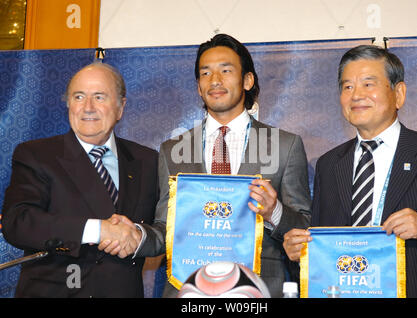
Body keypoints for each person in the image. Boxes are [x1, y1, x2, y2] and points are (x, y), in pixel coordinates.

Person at [107, 34, 311, 298]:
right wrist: (136, 235)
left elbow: (304, 229)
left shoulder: (285, 145)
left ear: (247, 80)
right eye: (206, 73)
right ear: (198, 86)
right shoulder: (172, 151)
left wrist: (275, 212)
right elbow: (165, 227)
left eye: (226, 70)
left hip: (257, 292)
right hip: (189, 291)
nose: (215, 80)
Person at [283, 45, 417, 297]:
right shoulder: (329, 165)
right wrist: (299, 255)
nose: (356, 95)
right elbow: (322, 253)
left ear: (399, 94)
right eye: (347, 87)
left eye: (368, 84)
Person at [1, 62, 159, 297]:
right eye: (78, 96)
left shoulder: (148, 160)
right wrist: (98, 230)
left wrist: (138, 235)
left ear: (120, 107)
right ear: (68, 104)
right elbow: (18, 222)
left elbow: (167, 227)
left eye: (99, 97)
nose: (87, 107)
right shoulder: (36, 154)